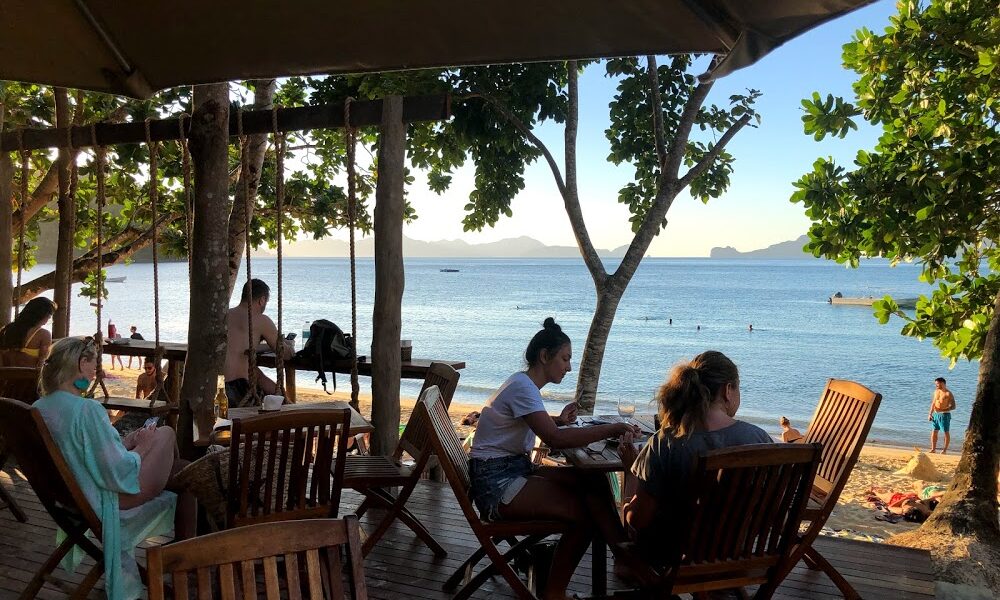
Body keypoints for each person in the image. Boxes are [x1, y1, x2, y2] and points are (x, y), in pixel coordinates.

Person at [468, 317, 640, 600]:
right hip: (497, 484)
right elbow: (555, 440)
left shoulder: (522, 383)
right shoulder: (523, 387)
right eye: (565, 358)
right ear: (544, 356)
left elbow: (531, 423)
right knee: (584, 513)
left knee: (594, 481)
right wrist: (613, 428)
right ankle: (556, 592)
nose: (569, 367)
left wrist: (558, 420)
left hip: (509, 469)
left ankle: (624, 558)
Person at [33, 336, 194, 600]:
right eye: (93, 364)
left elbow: (84, 451)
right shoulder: (87, 410)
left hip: (73, 498)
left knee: (182, 469)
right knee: (166, 436)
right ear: (80, 364)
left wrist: (127, 442)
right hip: (109, 499)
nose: (96, 371)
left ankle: (182, 491)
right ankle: (189, 557)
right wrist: (142, 447)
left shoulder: (41, 407)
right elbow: (118, 472)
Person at [619, 351, 772, 574]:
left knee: (601, 500)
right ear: (728, 390)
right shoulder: (759, 440)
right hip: (738, 555)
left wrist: (630, 476)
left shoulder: (666, 443)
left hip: (673, 561)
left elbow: (638, 520)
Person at [224, 279, 294, 407]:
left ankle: (288, 403)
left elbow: (240, 348)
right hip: (239, 389)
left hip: (218, 386)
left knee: (258, 375)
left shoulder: (225, 315)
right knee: (260, 379)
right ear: (262, 300)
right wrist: (289, 345)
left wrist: (267, 346)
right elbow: (285, 354)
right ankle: (289, 405)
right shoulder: (261, 320)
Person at [0, 297, 57, 367]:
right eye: (50, 315)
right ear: (44, 315)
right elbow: (42, 364)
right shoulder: (44, 334)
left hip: (5, 373)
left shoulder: (6, 330)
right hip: (29, 373)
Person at [928, 377, 956, 454]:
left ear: (943, 383)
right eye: (936, 384)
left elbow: (953, 406)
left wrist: (943, 409)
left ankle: (944, 450)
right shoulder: (936, 391)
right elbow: (933, 403)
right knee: (934, 431)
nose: (936, 385)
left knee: (946, 432)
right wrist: (930, 414)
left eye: (937, 384)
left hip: (944, 415)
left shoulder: (948, 393)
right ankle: (933, 449)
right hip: (935, 414)